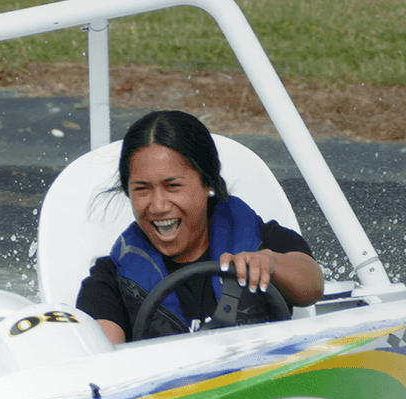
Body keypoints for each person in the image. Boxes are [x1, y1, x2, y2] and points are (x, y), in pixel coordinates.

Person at [75, 110, 324, 343]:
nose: (159, 206)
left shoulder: (262, 241)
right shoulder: (110, 279)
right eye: (142, 189)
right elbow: (97, 356)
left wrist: (271, 264)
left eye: (173, 186)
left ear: (208, 183)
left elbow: (312, 287)